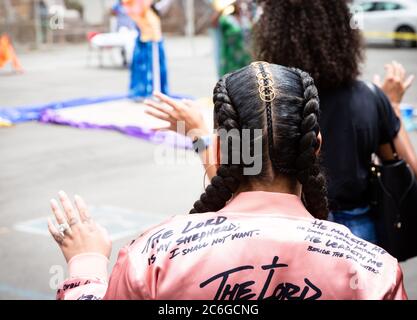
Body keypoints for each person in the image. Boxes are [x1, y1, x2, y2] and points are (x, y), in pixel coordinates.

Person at [48, 63, 407, 300]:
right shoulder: (374, 271)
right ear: (316, 147)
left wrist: (87, 262)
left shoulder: (155, 256)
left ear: (221, 146)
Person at [146, 0, 417, 245]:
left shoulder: (267, 107)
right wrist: (390, 107)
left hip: (286, 235)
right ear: (342, 32)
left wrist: (199, 135)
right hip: (361, 234)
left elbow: (232, 189)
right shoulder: (370, 97)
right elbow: (410, 167)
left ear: (274, 34)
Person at [122, 0, 172, 99]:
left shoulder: (151, 10)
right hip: (146, 41)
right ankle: (146, 91)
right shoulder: (138, 7)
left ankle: (156, 91)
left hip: (154, 40)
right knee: (145, 67)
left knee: (156, 67)